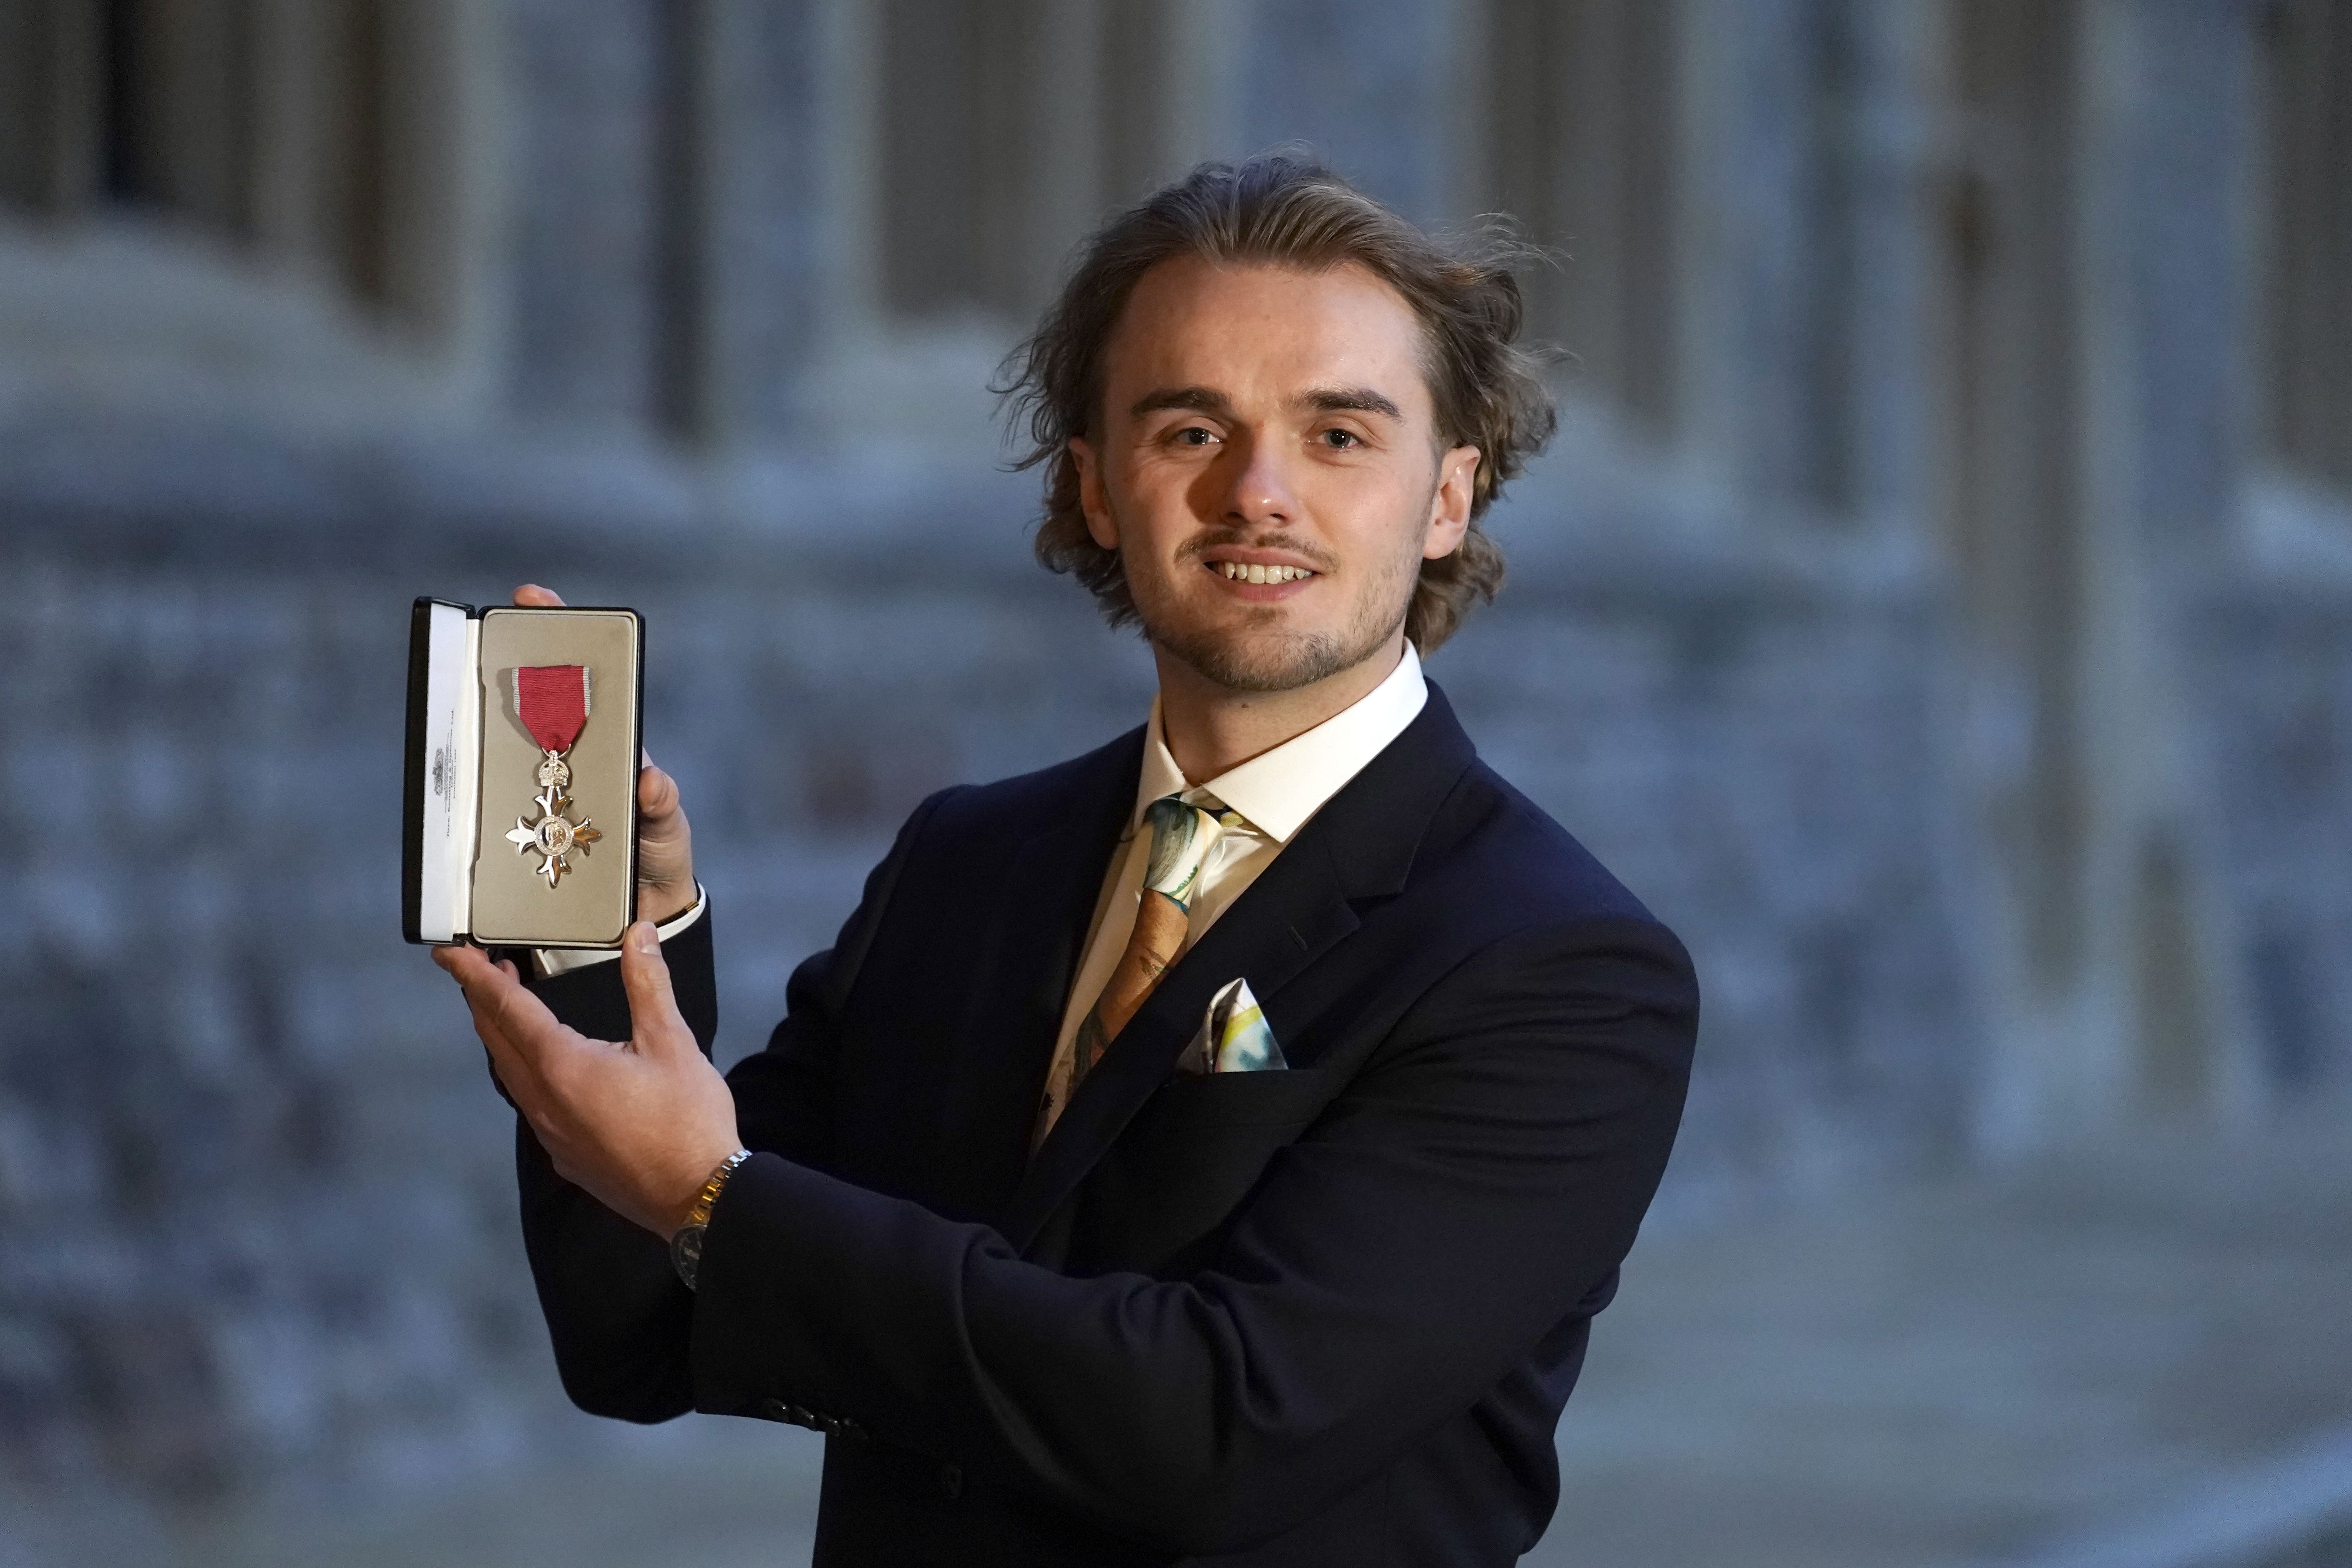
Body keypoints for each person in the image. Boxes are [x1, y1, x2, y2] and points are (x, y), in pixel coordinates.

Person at [436, 153, 1698, 1566]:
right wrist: (606, 948)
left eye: (1339, 436)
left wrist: (714, 1196)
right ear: (1095, 487)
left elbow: (1220, 1427)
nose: (1258, 494)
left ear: (1449, 498)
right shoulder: (966, 863)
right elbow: (643, 1337)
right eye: (1188, 431)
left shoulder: (1561, 968)